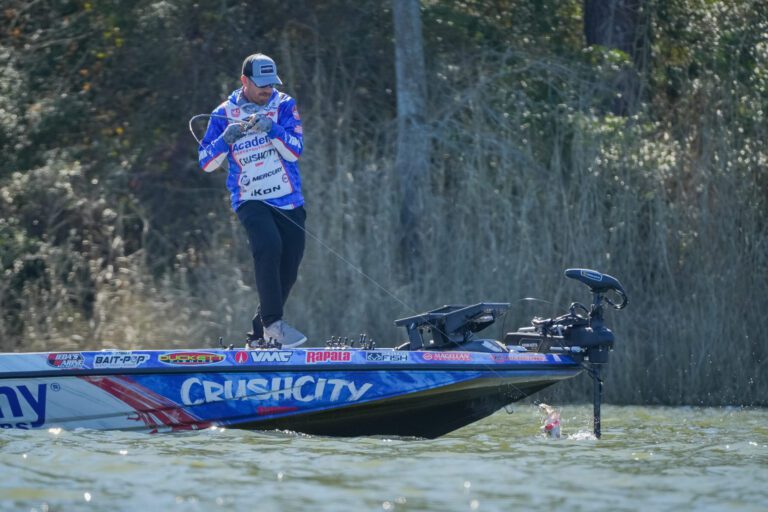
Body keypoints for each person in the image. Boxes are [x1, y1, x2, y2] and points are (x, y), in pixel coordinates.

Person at [198, 53, 307, 347]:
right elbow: (206, 162)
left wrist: (272, 129)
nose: (267, 90)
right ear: (244, 81)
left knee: (290, 268)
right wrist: (226, 139)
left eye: (271, 84)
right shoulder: (223, 113)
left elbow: (294, 151)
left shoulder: (284, 105)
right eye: (261, 85)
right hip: (249, 198)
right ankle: (274, 323)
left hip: (288, 200)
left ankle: (259, 336)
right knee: (268, 246)